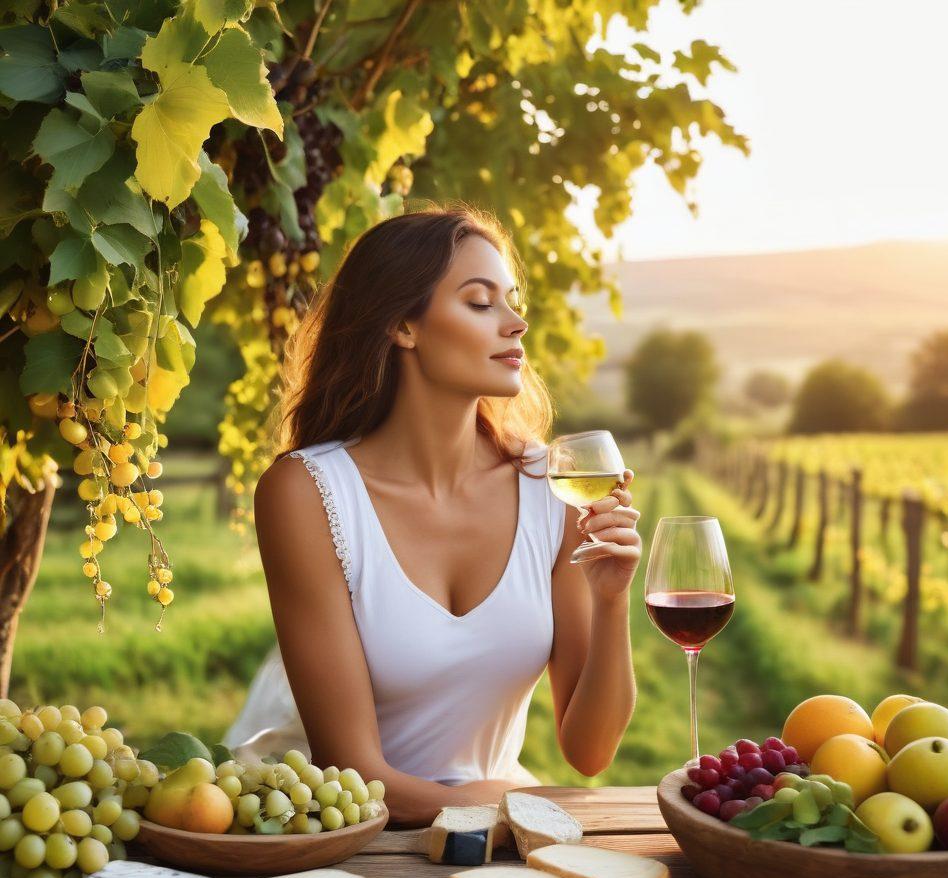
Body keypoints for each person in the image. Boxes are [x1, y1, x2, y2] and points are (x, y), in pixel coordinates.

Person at [223, 202, 642, 827]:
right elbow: (355, 772)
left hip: (493, 831)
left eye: (512, 300)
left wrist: (610, 601)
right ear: (404, 327)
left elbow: (589, 752)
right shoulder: (305, 492)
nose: (516, 322)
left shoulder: (548, 486)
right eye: (481, 302)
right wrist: (505, 807)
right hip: (344, 834)